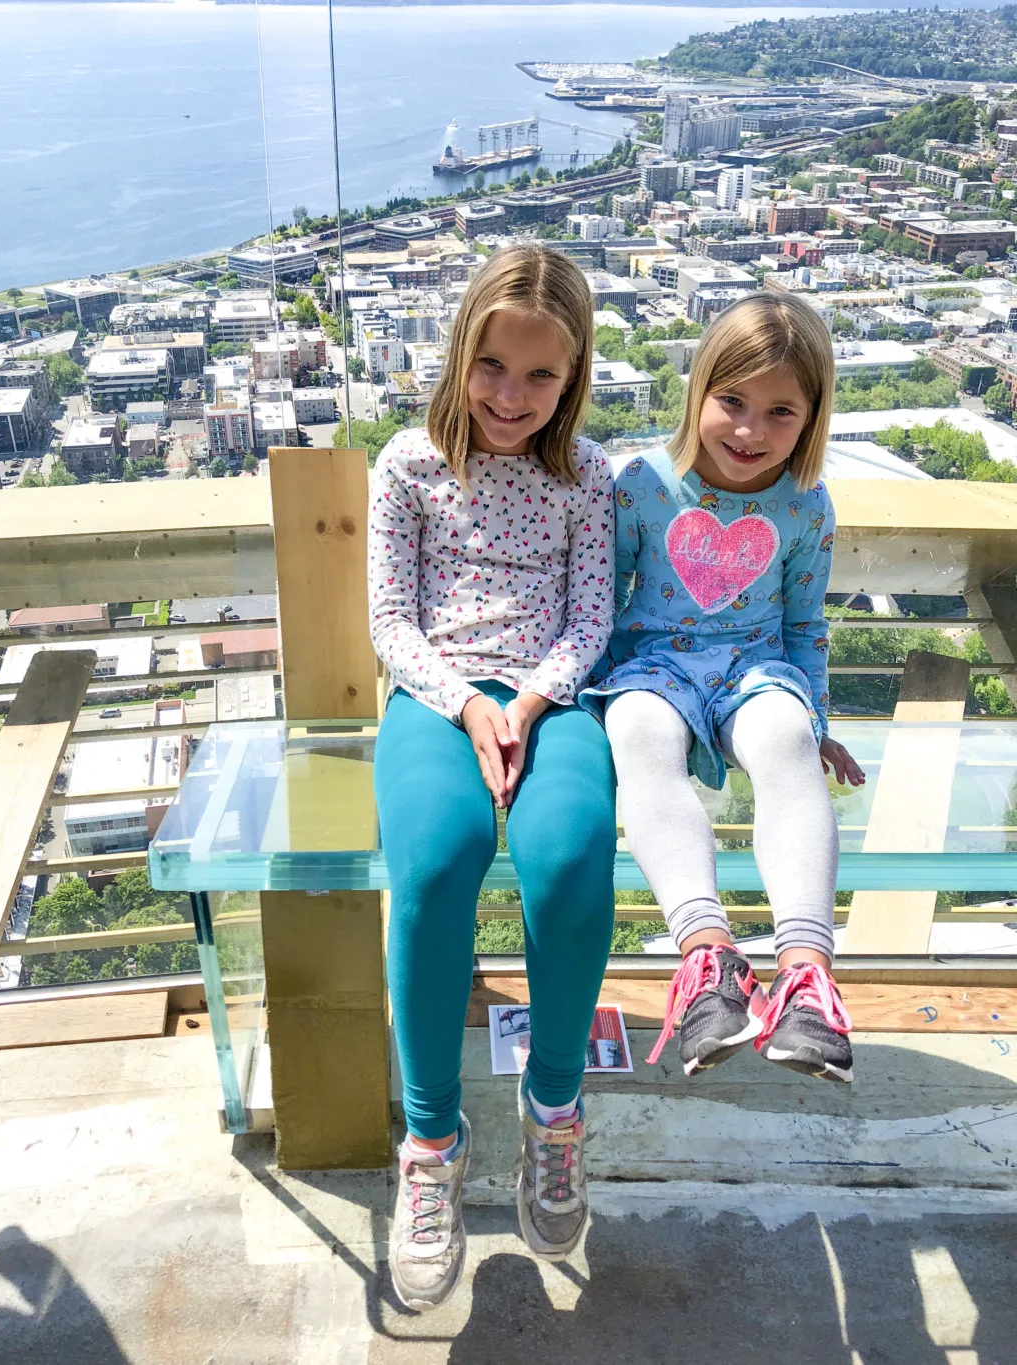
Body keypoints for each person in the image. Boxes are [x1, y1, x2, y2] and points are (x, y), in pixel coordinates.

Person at [368, 245, 616, 1311]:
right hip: (435, 695)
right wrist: (469, 703)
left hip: (552, 697)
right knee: (435, 862)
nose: (511, 398)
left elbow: (591, 617)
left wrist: (524, 704)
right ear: (460, 352)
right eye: (493, 367)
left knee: (566, 861)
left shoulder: (586, 477)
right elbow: (390, 620)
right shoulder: (406, 466)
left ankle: (552, 1114)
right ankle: (429, 1143)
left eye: (540, 377)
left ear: (574, 379)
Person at [582, 292, 865, 1088]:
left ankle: (807, 976)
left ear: (812, 419)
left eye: (781, 412)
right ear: (698, 391)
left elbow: (806, 624)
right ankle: (706, 957)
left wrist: (816, 717)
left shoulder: (805, 506)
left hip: (755, 668)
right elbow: (600, 607)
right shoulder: (640, 484)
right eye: (732, 402)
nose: (750, 431)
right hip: (652, 666)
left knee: (785, 742)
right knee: (638, 732)